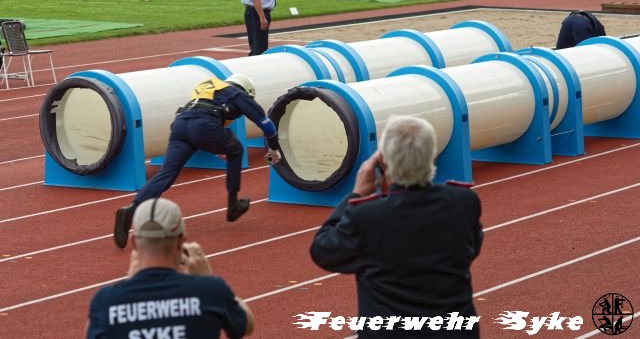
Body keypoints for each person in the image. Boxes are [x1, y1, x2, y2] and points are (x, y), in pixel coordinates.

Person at [310, 116, 483, 338]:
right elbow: (471, 247)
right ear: (431, 155)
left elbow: (323, 250)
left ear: (384, 162)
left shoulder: (367, 217)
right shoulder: (464, 202)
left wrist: (356, 194)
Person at [113, 73, 281, 248]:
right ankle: (233, 206)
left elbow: (205, 120)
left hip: (180, 125)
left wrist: (218, 146)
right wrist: (274, 147)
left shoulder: (213, 90)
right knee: (237, 150)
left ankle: (131, 209)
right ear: (246, 91)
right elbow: (265, 124)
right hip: (204, 125)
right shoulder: (238, 94)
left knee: (166, 174)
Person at [90, 198, 255, 338]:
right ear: (181, 241)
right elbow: (245, 326)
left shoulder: (106, 300)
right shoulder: (211, 291)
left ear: (134, 243)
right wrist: (206, 279)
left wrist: (130, 282)